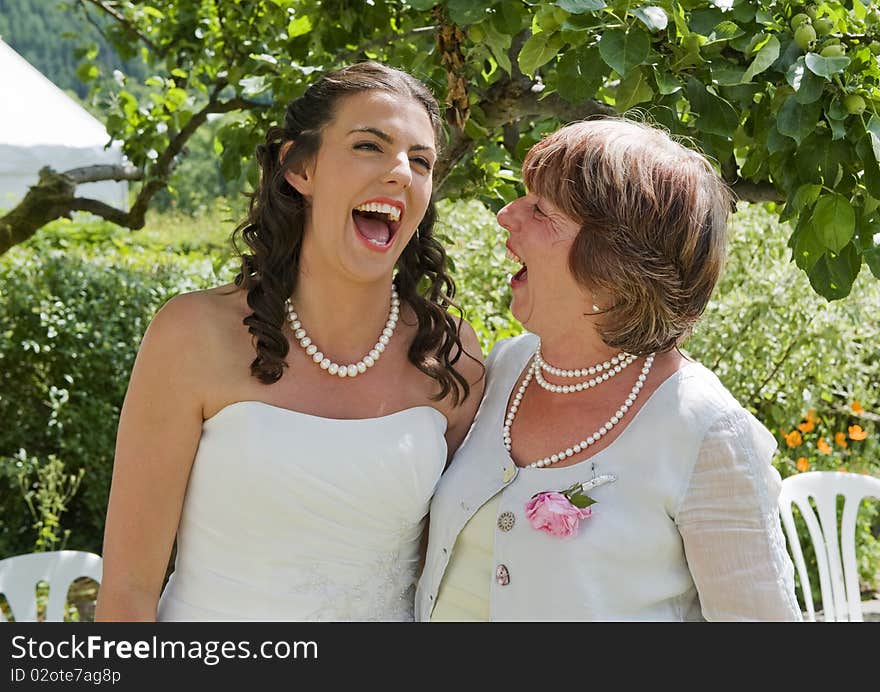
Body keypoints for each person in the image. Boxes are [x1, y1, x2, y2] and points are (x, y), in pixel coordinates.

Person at [95, 62, 483, 622]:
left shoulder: (447, 354)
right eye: (370, 145)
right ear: (300, 167)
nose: (400, 171)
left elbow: (447, 575)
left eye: (420, 161)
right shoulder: (192, 335)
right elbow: (127, 593)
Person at [416, 118, 802, 622]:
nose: (505, 215)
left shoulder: (706, 431)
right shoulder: (506, 369)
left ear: (612, 264)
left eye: (541, 211)